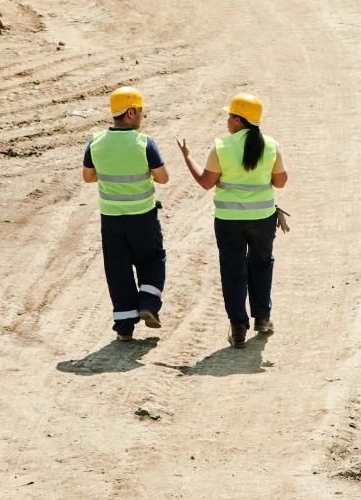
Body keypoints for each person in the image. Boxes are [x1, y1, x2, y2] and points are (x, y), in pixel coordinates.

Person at [176, 93, 288, 348]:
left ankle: (238, 327)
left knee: (233, 271)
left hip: (229, 221)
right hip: (263, 219)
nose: (227, 120)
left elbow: (206, 183)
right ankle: (263, 318)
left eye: (230, 116)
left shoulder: (222, 146)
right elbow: (280, 181)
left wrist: (187, 157)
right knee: (261, 264)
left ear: (239, 120)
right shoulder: (271, 145)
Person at [83, 86, 169, 342]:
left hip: (111, 219)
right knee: (153, 260)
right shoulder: (144, 143)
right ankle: (148, 303)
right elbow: (163, 178)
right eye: (140, 111)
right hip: (142, 216)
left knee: (117, 270)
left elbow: (88, 177)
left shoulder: (96, 142)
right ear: (131, 112)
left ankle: (124, 328)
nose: (142, 116)